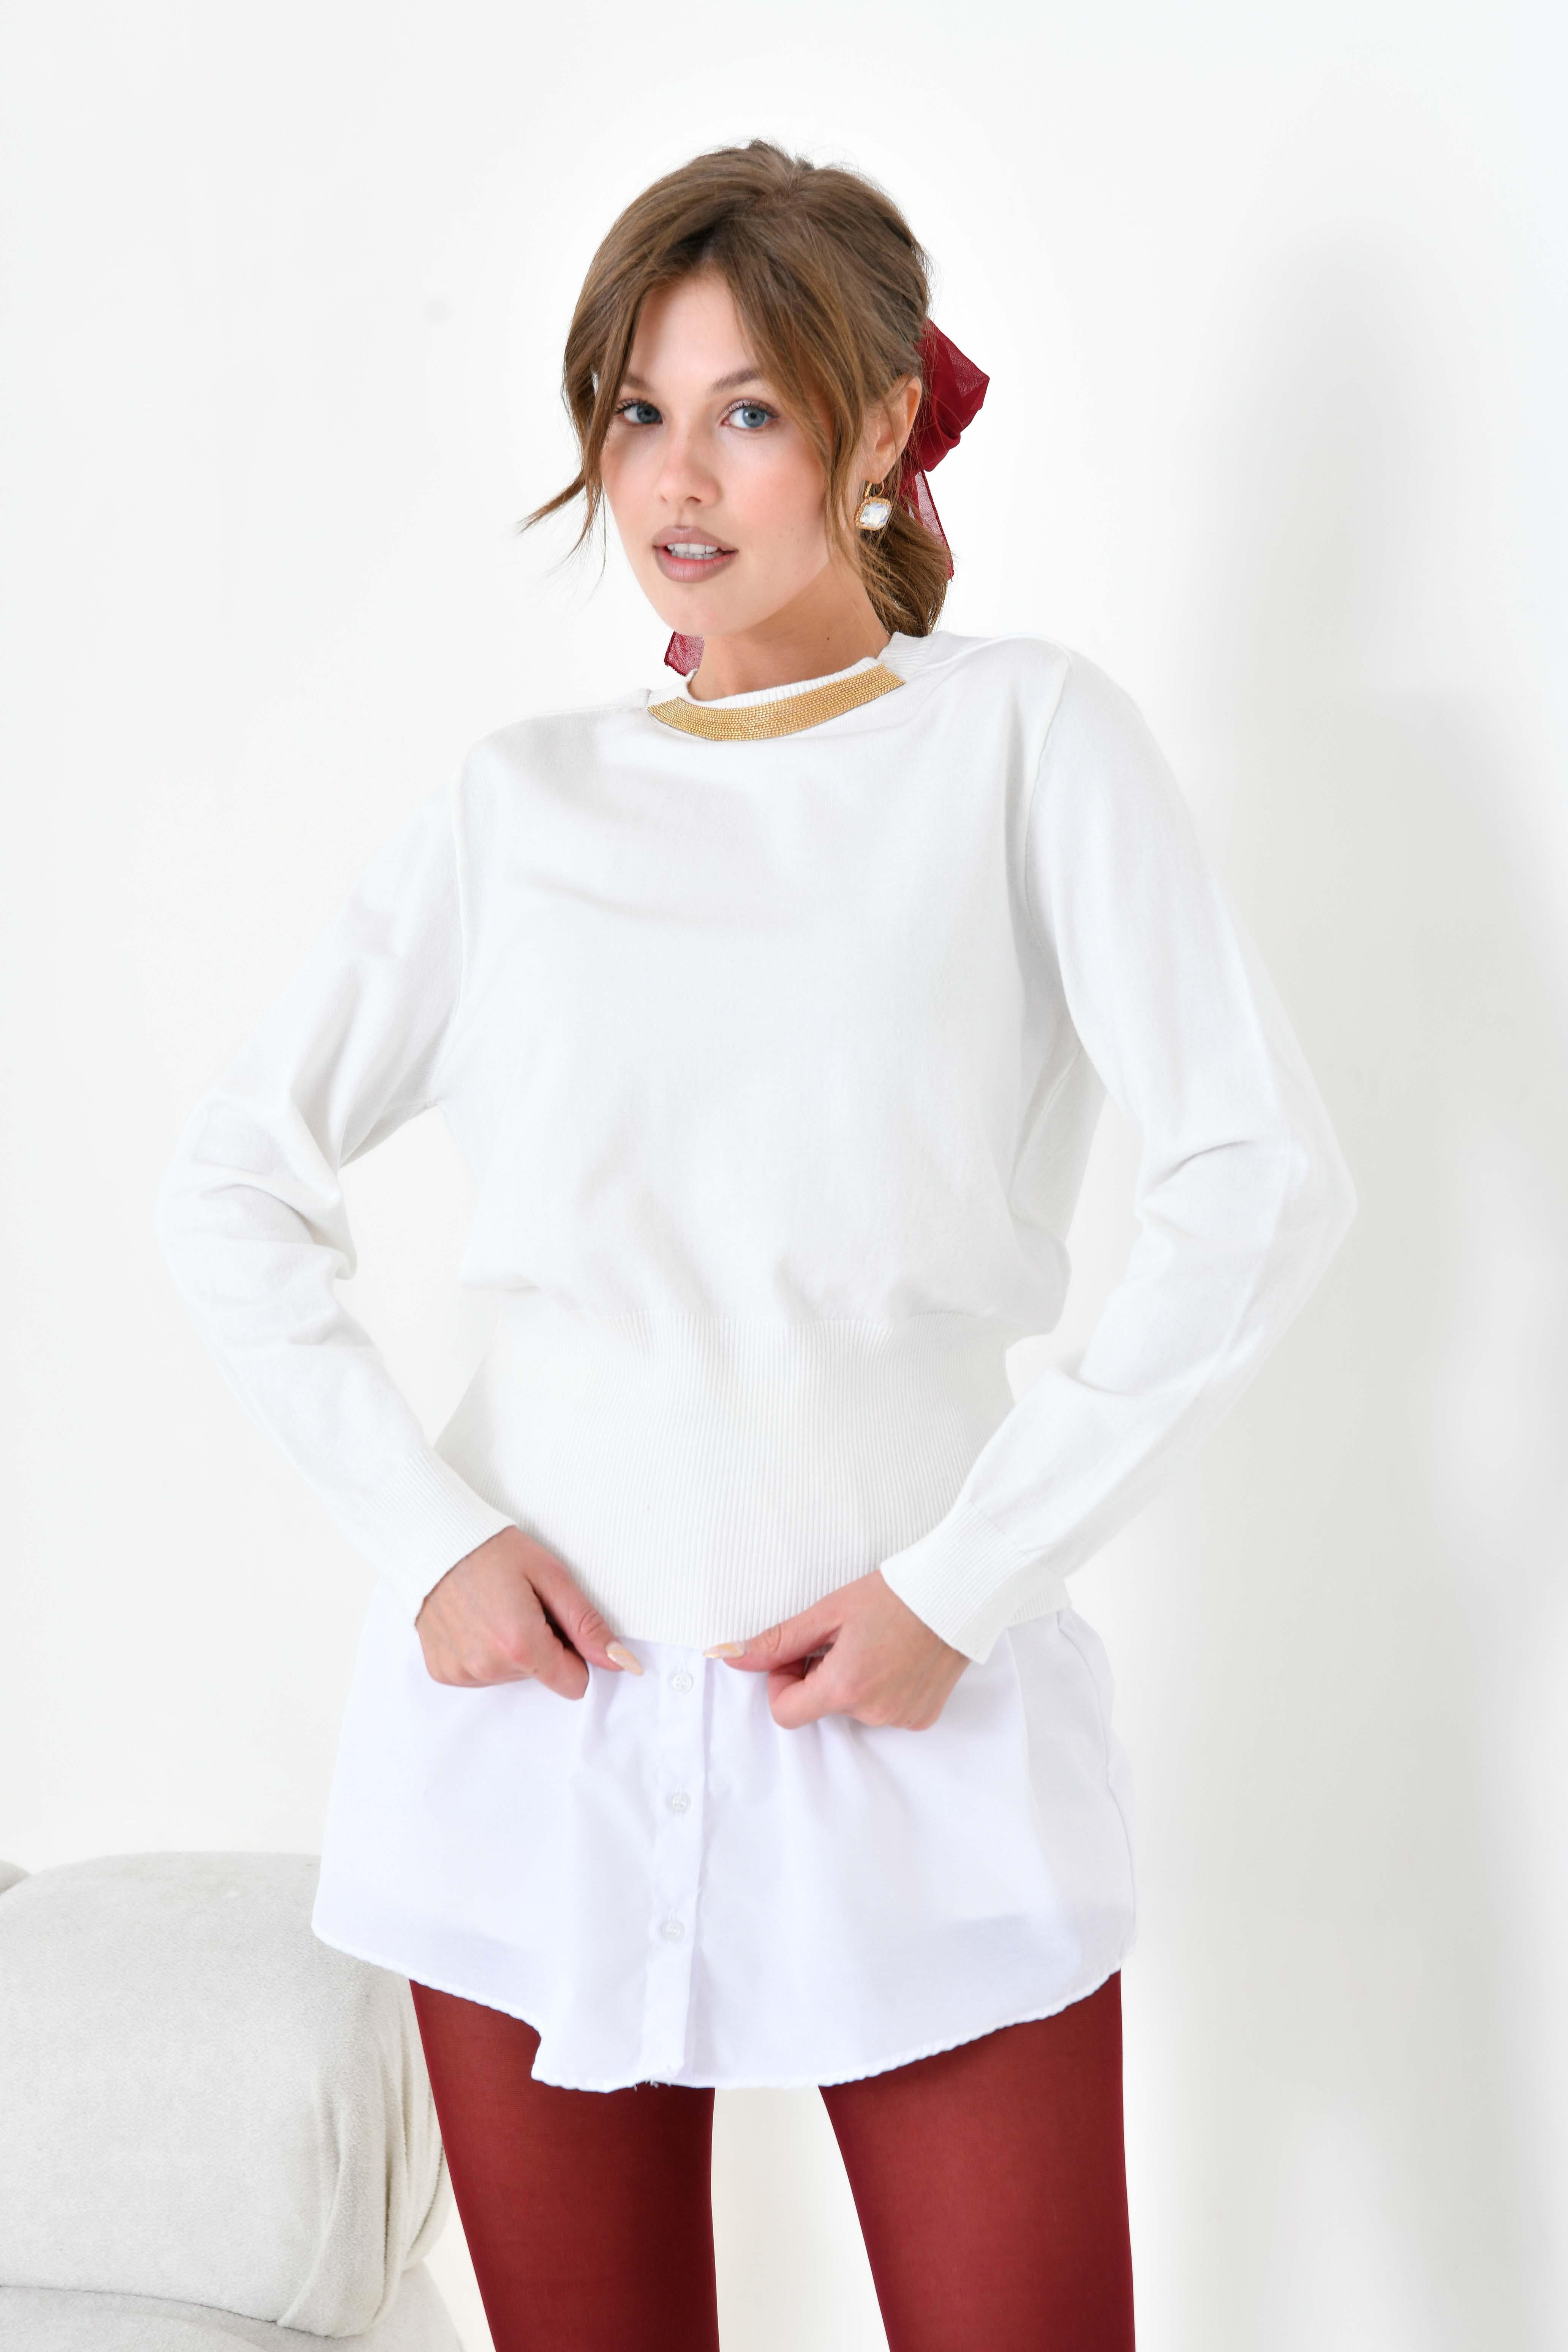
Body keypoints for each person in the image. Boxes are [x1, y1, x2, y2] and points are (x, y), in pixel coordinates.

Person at [154, 138, 1357, 2352]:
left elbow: (1259, 1180)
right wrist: (427, 1535)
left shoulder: (1027, 746)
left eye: (749, 411)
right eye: (636, 409)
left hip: (917, 1716)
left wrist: (962, 1586)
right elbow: (231, 1177)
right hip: (537, 1745)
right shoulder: (516, 808)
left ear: (881, 428)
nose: (676, 479)